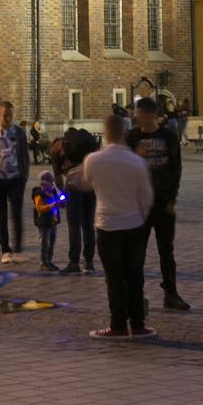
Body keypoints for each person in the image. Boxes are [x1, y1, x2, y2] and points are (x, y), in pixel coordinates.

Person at [77, 111, 156, 339]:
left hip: (107, 224)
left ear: (105, 133)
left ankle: (118, 325)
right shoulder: (137, 162)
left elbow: (87, 184)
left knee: (114, 279)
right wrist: (140, 216)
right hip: (133, 224)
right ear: (124, 132)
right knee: (135, 277)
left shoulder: (93, 160)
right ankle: (139, 325)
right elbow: (147, 197)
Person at [128, 96, 189, 311]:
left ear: (150, 114)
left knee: (166, 250)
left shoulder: (168, 136)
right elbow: (125, 166)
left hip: (163, 202)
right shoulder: (132, 137)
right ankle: (137, 294)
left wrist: (173, 198)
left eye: (138, 113)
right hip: (139, 205)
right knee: (138, 252)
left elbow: (176, 168)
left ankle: (170, 293)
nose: (135, 116)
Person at [0, 101, 30, 261]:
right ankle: (5, 250)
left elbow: (25, 154)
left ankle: (18, 249)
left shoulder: (19, 132)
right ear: (0, 114)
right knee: (2, 217)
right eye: (5, 115)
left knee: (17, 215)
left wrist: (24, 175)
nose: (8, 118)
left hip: (16, 179)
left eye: (11, 115)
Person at [53, 126, 99, 273]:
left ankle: (74, 262)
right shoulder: (86, 144)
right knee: (88, 224)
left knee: (74, 224)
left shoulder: (57, 148)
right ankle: (89, 262)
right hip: (90, 184)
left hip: (73, 184)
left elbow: (58, 179)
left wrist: (61, 196)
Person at [30, 167, 63, 270]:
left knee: (52, 241)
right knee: (45, 242)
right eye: (51, 182)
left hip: (52, 221)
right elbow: (40, 209)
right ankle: (43, 262)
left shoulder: (52, 192)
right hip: (43, 223)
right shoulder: (39, 195)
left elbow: (57, 202)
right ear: (44, 183)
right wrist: (52, 205)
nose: (53, 184)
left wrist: (61, 200)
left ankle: (49, 260)